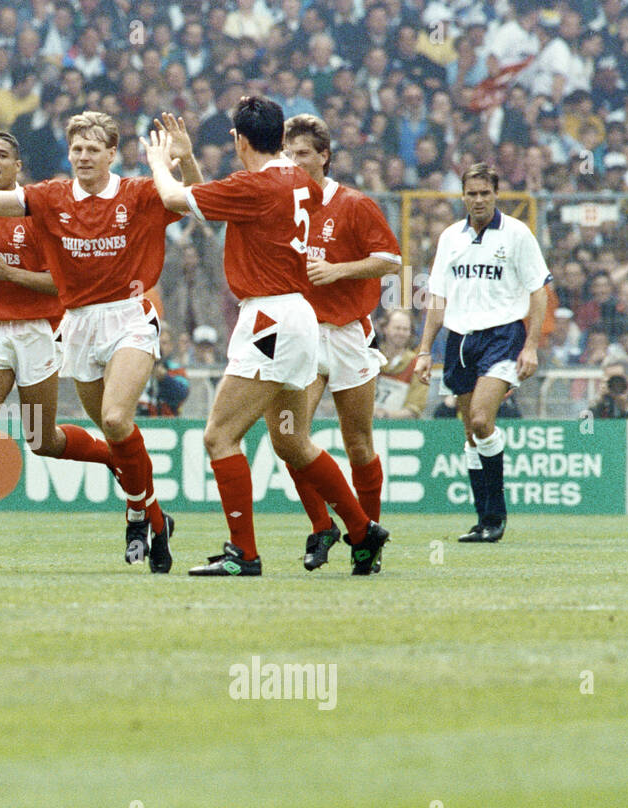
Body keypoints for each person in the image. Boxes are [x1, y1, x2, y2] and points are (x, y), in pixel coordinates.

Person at [0, 109, 202, 573]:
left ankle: (147, 514)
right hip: (78, 325)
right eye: (76, 149)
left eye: (92, 149)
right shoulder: (49, 197)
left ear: (111, 153)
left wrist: (185, 162)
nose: (83, 156)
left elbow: (195, 203)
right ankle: (149, 513)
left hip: (126, 317)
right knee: (9, 431)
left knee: (116, 417)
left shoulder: (139, 192)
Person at [143, 96, 388, 576]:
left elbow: (176, 199)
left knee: (219, 436)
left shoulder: (255, 186)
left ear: (237, 140)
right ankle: (362, 530)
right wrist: (189, 161)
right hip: (298, 316)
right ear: (280, 138)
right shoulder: (296, 179)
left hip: (270, 318)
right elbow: (216, 205)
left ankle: (245, 554)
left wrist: (158, 160)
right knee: (293, 442)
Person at [0, 130, 116, 571]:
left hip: (35, 331)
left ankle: (113, 456)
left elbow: (63, 284)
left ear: (19, 168)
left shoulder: (41, 214)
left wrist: (12, 275)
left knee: (42, 440)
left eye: (2, 155)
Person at [282, 114, 403, 571]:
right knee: (292, 437)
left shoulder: (353, 204)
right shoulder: (284, 205)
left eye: (304, 154)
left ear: (324, 156)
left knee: (359, 444)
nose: (295, 162)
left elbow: (391, 260)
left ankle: (366, 538)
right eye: (289, 154)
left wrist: (338, 270)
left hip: (350, 334)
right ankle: (321, 526)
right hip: (304, 335)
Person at [416, 163, 551, 543]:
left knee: (480, 420)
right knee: (470, 434)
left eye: (484, 193)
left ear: (496, 194)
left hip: (503, 336)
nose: (478, 199)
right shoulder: (450, 238)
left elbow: (538, 292)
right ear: (462, 195)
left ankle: (497, 515)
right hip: (459, 340)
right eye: (471, 193)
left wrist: (531, 346)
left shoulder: (516, 234)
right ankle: (483, 520)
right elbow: (437, 298)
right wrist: (425, 349)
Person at [374, 310, 430, 420]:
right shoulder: (371, 359)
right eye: (397, 328)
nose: (401, 333)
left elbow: (415, 408)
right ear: (385, 329)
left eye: (405, 329)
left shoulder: (417, 365)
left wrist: (385, 415)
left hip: (401, 428)